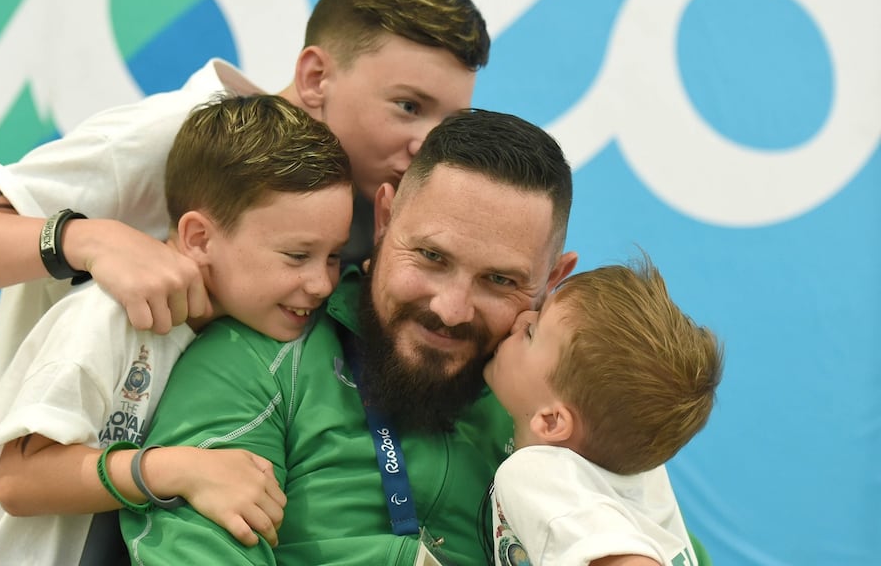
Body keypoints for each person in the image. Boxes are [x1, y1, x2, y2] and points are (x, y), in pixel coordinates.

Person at [0, 0, 490, 563]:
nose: (428, 142)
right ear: (315, 77)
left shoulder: (366, 199)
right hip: (30, 534)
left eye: (451, 118)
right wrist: (92, 239)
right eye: (408, 107)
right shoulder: (178, 134)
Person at [120, 108, 580, 565]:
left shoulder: (583, 402)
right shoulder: (259, 358)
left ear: (552, 279)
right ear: (384, 219)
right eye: (431, 256)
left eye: (499, 280)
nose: (452, 309)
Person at [0, 94, 354, 565]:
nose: (321, 283)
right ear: (199, 238)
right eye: (297, 255)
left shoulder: (236, 332)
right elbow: (18, 480)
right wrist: (178, 468)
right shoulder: (105, 316)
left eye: (334, 256)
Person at [485, 257, 723, 566]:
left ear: (552, 420)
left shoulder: (536, 475)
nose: (520, 319)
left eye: (531, 332)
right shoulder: (644, 473)